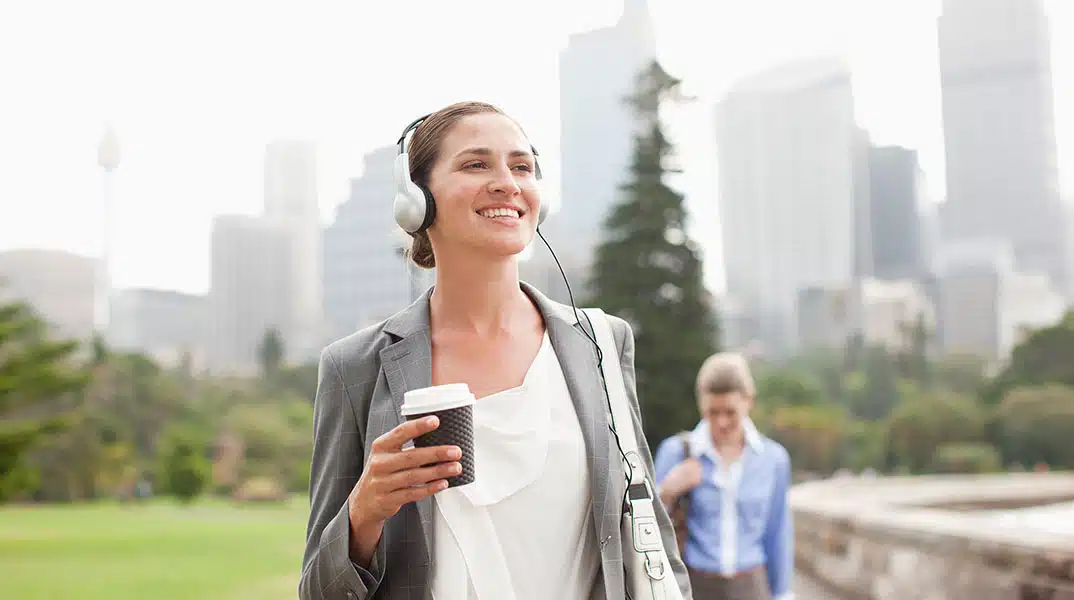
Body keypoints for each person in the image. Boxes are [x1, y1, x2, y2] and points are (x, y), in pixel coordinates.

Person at [299, 101, 691, 600]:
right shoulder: (354, 368)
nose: (507, 182)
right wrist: (364, 512)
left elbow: (654, 543)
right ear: (417, 199)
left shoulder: (601, 344)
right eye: (476, 164)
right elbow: (318, 590)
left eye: (521, 166)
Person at [653, 352, 794, 600]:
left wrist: (782, 594)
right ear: (701, 403)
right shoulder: (676, 452)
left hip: (752, 587)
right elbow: (646, 528)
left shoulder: (774, 459)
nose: (721, 422)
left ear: (749, 401)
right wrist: (666, 491)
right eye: (712, 412)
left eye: (730, 412)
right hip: (693, 587)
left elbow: (778, 533)